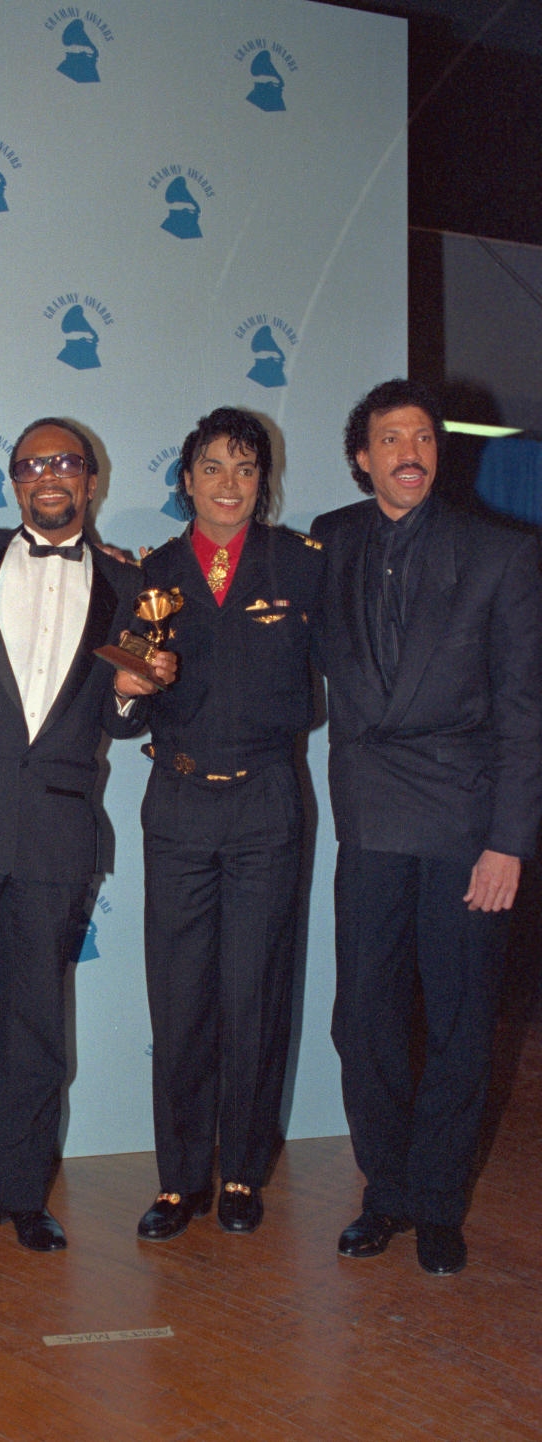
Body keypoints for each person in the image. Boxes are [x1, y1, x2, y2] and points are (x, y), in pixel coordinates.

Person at [0, 418, 176, 1270]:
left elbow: (120, 713)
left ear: (90, 480)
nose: (47, 476)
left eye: (63, 463)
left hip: (59, 834)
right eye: (30, 465)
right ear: (16, 481)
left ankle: (24, 1196)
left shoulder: (133, 585)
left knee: (37, 1027)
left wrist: (134, 696)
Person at [312, 379, 542, 1275]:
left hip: (464, 826)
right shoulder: (325, 542)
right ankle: (388, 1190)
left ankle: (438, 1202)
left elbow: (526, 715)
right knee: (360, 1020)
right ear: (362, 456)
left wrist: (508, 843)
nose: (411, 452)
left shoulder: (502, 553)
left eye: (425, 438)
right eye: (390, 438)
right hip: (369, 817)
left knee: (458, 1021)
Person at [128, 408, 323, 1244]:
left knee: (255, 992)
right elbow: (120, 711)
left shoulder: (301, 563)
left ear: (263, 481)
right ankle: (179, 1181)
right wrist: (137, 685)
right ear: (185, 480)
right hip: (176, 804)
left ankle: (241, 1169)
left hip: (267, 801)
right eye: (213, 468)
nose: (229, 485)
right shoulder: (151, 572)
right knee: (179, 1001)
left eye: (246, 469)